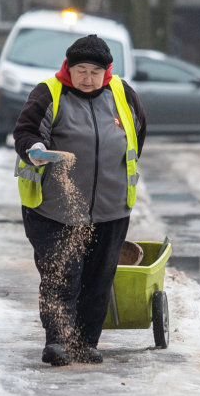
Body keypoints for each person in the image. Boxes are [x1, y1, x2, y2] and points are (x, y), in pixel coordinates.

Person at [13, 34, 147, 366]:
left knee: (99, 277)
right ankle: (58, 342)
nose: (87, 79)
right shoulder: (49, 93)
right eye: (80, 70)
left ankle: (85, 342)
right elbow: (27, 131)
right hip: (55, 208)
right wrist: (35, 151)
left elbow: (137, 132)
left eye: (94, 72)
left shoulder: (122, 93)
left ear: (107, 71)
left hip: (109, 208)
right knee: (62, 274)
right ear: (68, 68)